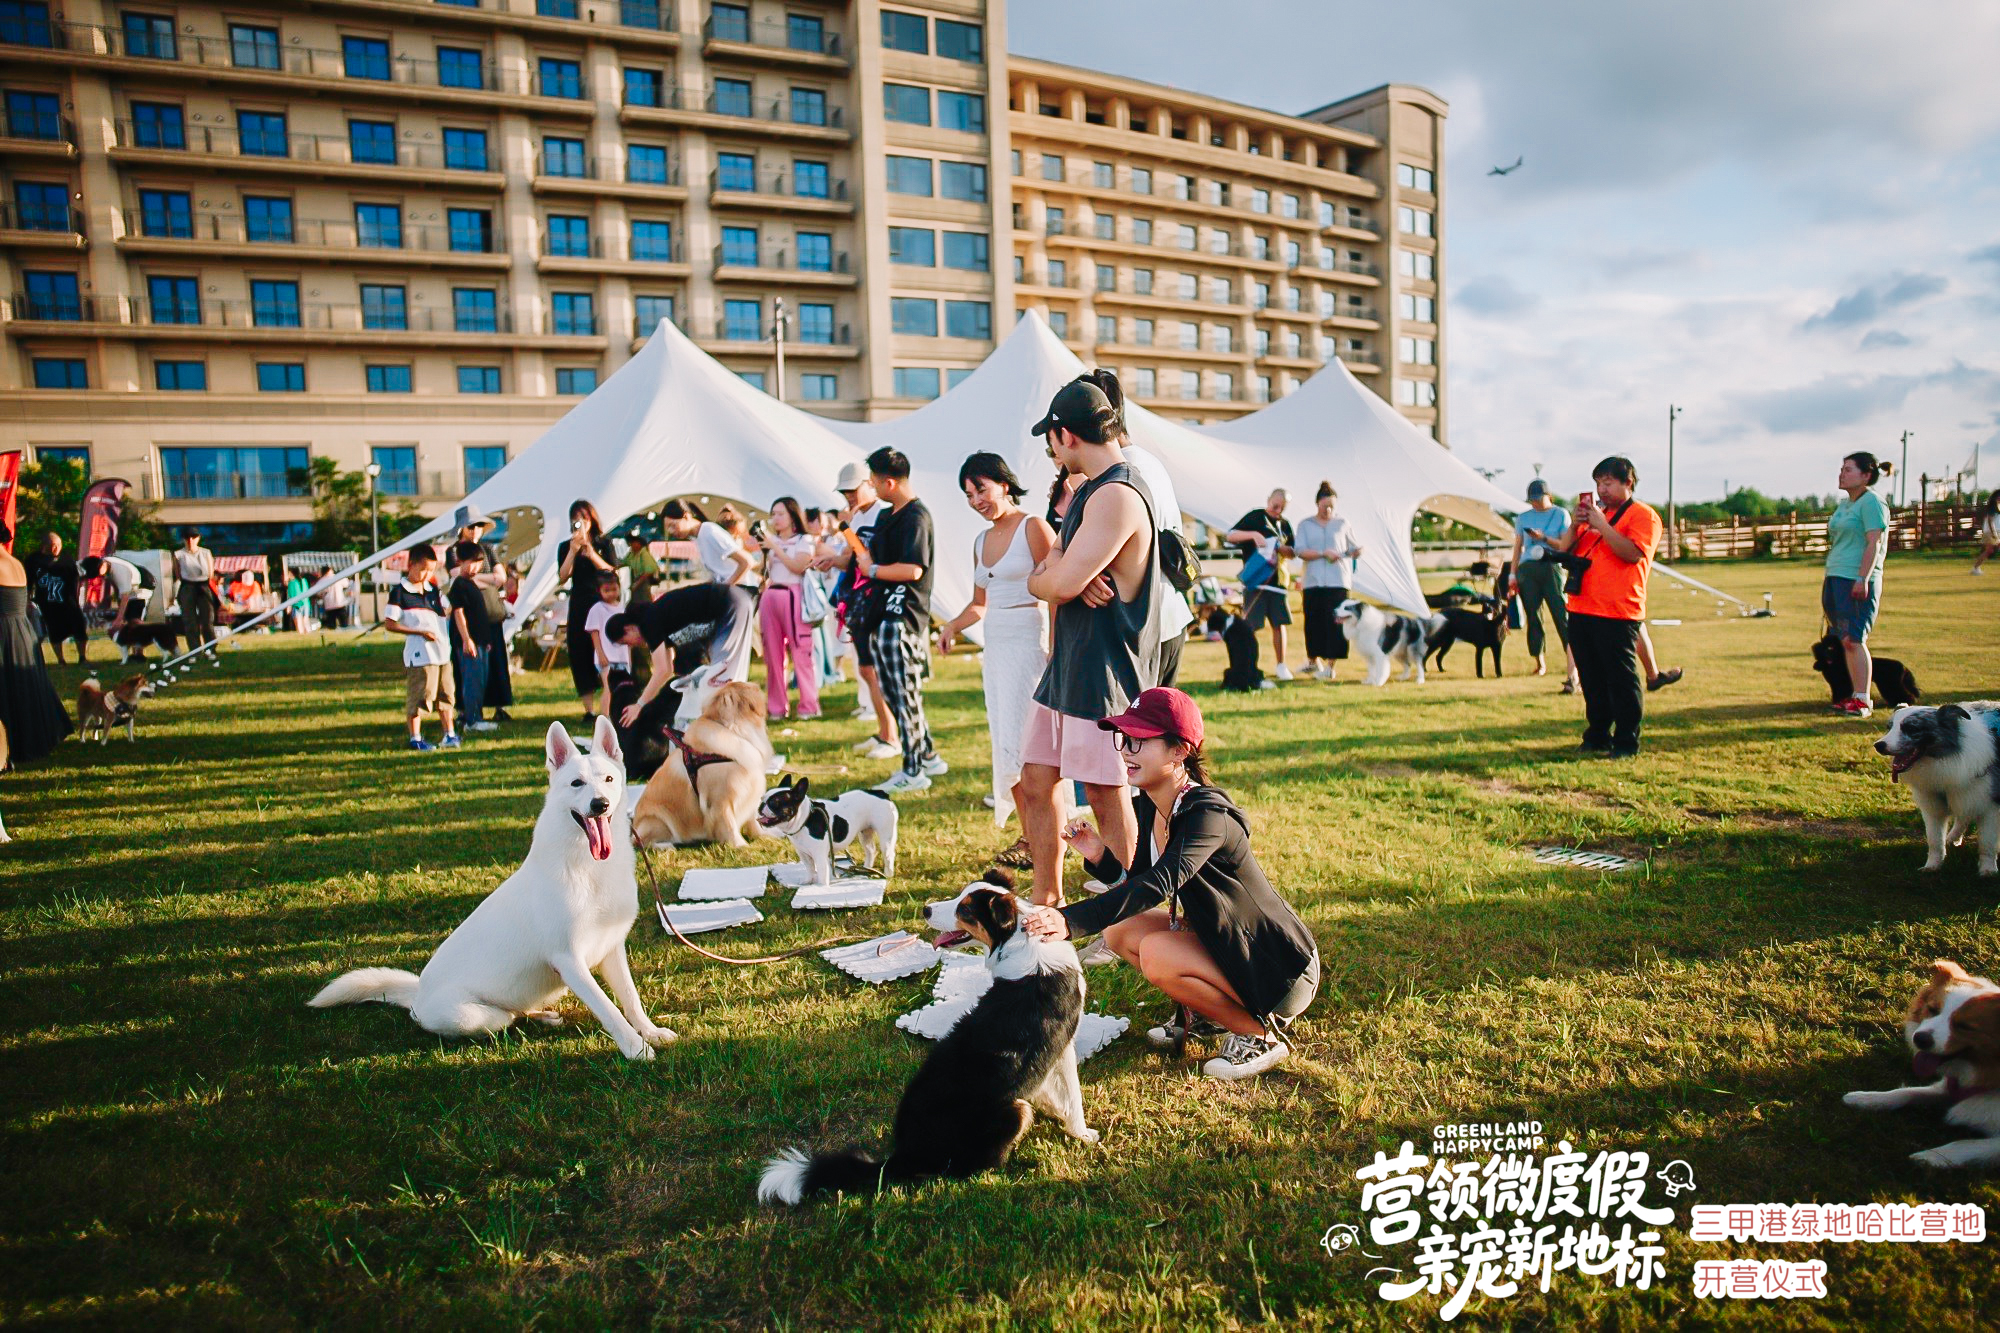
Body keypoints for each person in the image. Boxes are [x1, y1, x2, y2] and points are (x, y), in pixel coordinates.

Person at [1020, 688, 1320, 1081]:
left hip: (1278, 968)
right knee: (1122, 930)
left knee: (1158, 952)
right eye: (1124, 739)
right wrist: (1098, 855)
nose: (1126, 751)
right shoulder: (1153, 803)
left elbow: (1158, 884)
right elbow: (1138, 883)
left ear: (1179, 751)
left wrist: (1069, 921)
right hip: (1226, 946)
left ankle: (1258, 1035)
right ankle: (1212, 1014)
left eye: (1139, 741)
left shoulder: (1207, 814)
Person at [1022, 371, 1162, 905]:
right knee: (1036, 780)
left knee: (1106, 792)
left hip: (1106, 671)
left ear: (1067, 435)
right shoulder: (1088, 491)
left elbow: (1054, 581)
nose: (1053, 453)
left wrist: (1058, 576)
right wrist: (1058, 573)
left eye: (1052, 441)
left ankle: (1130, 914)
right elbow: (1054, 573)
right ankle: (1047, 900)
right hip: (1070, 665)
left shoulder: (1118, 494)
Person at [940, 452, 1056, 829]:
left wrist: (1056, 648)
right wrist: (951, 627)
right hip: (996, 648)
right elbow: (979, 604)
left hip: (1029, 641)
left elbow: (1056, 591)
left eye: (981, 490)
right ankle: (1028, 833)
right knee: (1006, 742)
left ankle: (1047, 830)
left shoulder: (1033, 527)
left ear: (1004, 485)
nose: (976, 501)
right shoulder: (980, 540)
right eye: (968, 495)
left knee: (1032, 742)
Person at [1546, 457, 1663, 758]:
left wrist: (1602, 525)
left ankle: (1626, 741)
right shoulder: (1597, 515)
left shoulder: (1643, 516)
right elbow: (1565, 549)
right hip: (1582, 607)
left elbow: (1632, 554)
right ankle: (1597, 735)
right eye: (1598, 483)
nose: (1602, 489)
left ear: (1628, 483)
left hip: (1617, 610)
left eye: (1608, 482)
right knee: (1592, 679)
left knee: (1621, 680)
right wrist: (1577, 524)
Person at [852, 447, 940, 794]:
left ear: (889, 482)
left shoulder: (916, 516)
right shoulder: (887, 515)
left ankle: (913, 769)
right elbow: (869, 558)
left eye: (874, 482)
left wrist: (872, 569)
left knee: (905, 696)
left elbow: (913, 569)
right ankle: (928, 755)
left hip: (903, 614)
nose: (872, 488)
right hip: (882, 614)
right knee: (893, 692)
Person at [818, 462, 898, 761]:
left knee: (877, 671)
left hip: (878, 599)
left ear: (869, 484)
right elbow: (852, 558)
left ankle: (892, 736)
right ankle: (885, 732)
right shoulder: (857, 517)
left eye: (852, 490)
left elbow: (872, 560)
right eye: (844, 492)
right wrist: (831, 561)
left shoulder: (884, 513)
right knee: (866, 669)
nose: (848, 496)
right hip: (859, 601)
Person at [608, 581, 758, 726]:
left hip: (729, 605)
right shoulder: (655, 622)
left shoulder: (648, 623)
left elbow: (661, 670)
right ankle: (732, 723)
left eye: (625, 642)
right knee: (723, 679)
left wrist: (639, 705)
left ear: (628, 629)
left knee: (722, 679)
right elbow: (667, 670)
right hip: (734, 603)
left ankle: (731, 726)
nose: (631, 646)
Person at [1824, 451, 1892, 719]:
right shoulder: (1845, 504)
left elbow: (1874, 542)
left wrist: (1863, 578)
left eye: (1848, 469)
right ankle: (1851, 695)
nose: (1842, 474)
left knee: (1854, 639)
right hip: (1836, 575)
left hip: (1857, 578)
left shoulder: (1872, 502)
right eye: (1842, 469)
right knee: (1844, 639)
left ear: (1866, 475)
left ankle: (1863, 700)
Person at [0, 521, 74, 761]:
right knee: (23, 689)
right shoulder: (15, 563)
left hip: (4, 632)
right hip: (22, 631)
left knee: (8, 690)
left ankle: (11, 746)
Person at [383, 545, 459, 751]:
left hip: (442, 652)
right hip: (421, 656)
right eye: (423, 569)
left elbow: (448, 607)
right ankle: (415, 737)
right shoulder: (399, 592)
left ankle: (450, 734)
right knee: (420, 696)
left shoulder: (433, 590)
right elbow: (390, 623)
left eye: (431, 570)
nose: (427, 574)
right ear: (411, 565)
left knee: (446, 694)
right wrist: (419, 632)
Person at [1508, 479, 1580, 691]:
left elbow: (1565, 545)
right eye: (1532, 500)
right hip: (1528, 568)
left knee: (1562, 615)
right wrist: (1512, 573)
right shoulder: (1523, 517)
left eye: (1538, 499)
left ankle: (1573, 665)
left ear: (1549, 496)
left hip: (1551, 565)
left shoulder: (1560, 514)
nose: (1535, 503)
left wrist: (1544, 538)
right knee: (1533, 616)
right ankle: (1539, 661)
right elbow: (1518, 547)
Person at [556, 500, 619, 723]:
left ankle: (609, 702)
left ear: (592, 519)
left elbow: (612, 569)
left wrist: (591, 553)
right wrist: (573, 551)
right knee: (579, 651)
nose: (580, 523)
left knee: (605, 649)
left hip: (601, 602)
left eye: (583, 518)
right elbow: (562, 576)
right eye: (575, 519)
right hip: (579, 603)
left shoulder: (604, 543)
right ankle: (589, 709)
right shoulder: (566, 546)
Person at [759, 495, 821, 720]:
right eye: (773, 514)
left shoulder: (804, 540)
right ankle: (776, 707)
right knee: (772, 655)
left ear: (792, 516)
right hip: (771, 594)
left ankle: (809, 705)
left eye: (780, 514)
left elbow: (798, 567)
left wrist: (775, 547)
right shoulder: (772, 542)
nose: (775, 519)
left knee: (801, 651)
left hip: (793, 594)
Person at [1225, 489, 1296, 682]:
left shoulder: (1284, 525)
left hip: (1277, 581)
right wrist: (1254, 535)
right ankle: (1248, 664)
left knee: (1279, 624)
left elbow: (1293, 551)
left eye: (1282, 508)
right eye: (1275, 505)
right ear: (1268, 500)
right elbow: (1230, 536)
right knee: (1250, 626)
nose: (1278, 510)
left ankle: (1281, 664)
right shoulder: (1255, 516)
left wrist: (1284, 550)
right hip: (1255, 580)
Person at [1295, 482, 1362, 680]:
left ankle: (1331, 666)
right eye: (1325, 506)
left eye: (1332, 507)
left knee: (1336, 622)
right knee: (1313, 621)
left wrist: (1356, 552)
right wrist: (1322, 553)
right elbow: (1300, 551)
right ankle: (1313, 660)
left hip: (1337, 580)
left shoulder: (1342, 523)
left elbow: (1352, 547)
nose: (1329, 511)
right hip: (1313, 581)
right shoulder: (1305, 525)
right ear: (1318, 504)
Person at [446, 542, 498, 733]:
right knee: (472, 682)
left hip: (481, 642)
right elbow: (458, 613)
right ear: (460, 561)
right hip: (469, 643)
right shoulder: (459, 585)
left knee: (480, 681)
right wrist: (467, 639)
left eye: (479, 562)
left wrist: (486, 641)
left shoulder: (472, 584)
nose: (475, 567)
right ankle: (472, 720)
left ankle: (477, 716)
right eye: (471, 562)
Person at [664, 498, 757, 589]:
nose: (671, 531)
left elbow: (747, 561)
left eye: (673, 525)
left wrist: (726, 587)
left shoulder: (709, 531)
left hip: (744, 589)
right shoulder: (698, 537)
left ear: (686, 516)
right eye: (668, 528)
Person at [26, 531, 85, 664]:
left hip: (68, 600)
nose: (57, 548)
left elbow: (75, 579)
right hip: (47, 601)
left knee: (78, 626)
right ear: (45, 546)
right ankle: (61, 659)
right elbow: (28, 583)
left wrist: (77, 598)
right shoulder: (33, 560)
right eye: (53, 545)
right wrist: (27, 600)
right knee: (54, 630)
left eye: (59, 545)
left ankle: (82, 657)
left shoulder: (66, 557)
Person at [582, 569, 631, 693]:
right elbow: (594, 634)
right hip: (606, 658)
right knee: (608, 689)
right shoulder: (597, 609)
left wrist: (629, 656)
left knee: (622, 689)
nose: (611, 593)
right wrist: (600, 655)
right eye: (607, 590)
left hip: (622, 658)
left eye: (614, 589)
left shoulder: (623, 608)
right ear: (599, 591)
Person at [173, 528, 217, 648]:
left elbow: (210, 573)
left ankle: (211, 648)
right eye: (187, 538)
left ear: (198, 539)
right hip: (187, 586)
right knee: (189, 621)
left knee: (207, 620)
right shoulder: (178, 554)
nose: (190, 540)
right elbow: (178, 574)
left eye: (193, 537)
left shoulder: (206, 553)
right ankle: (194, 649)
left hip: (204, 585)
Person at [1971, 490, 2000, 575]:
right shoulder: (1992, 507)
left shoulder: (1997, 507)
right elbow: (1990, 521)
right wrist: (1994, 533)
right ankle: (1975, 568)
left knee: (1989, 551)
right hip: (1991, 532)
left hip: (1996, 531)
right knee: (1989, 551)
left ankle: (1976, 568)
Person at [284, 567, 311, 633]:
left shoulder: (291, 583)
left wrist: (289, 606)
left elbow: (291, 596)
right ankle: (308, 634)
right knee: (306, 621)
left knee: (298, 624)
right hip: (306, 603)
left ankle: (301, 634)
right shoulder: (304, 580)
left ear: (291, 574)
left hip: (297, 605)